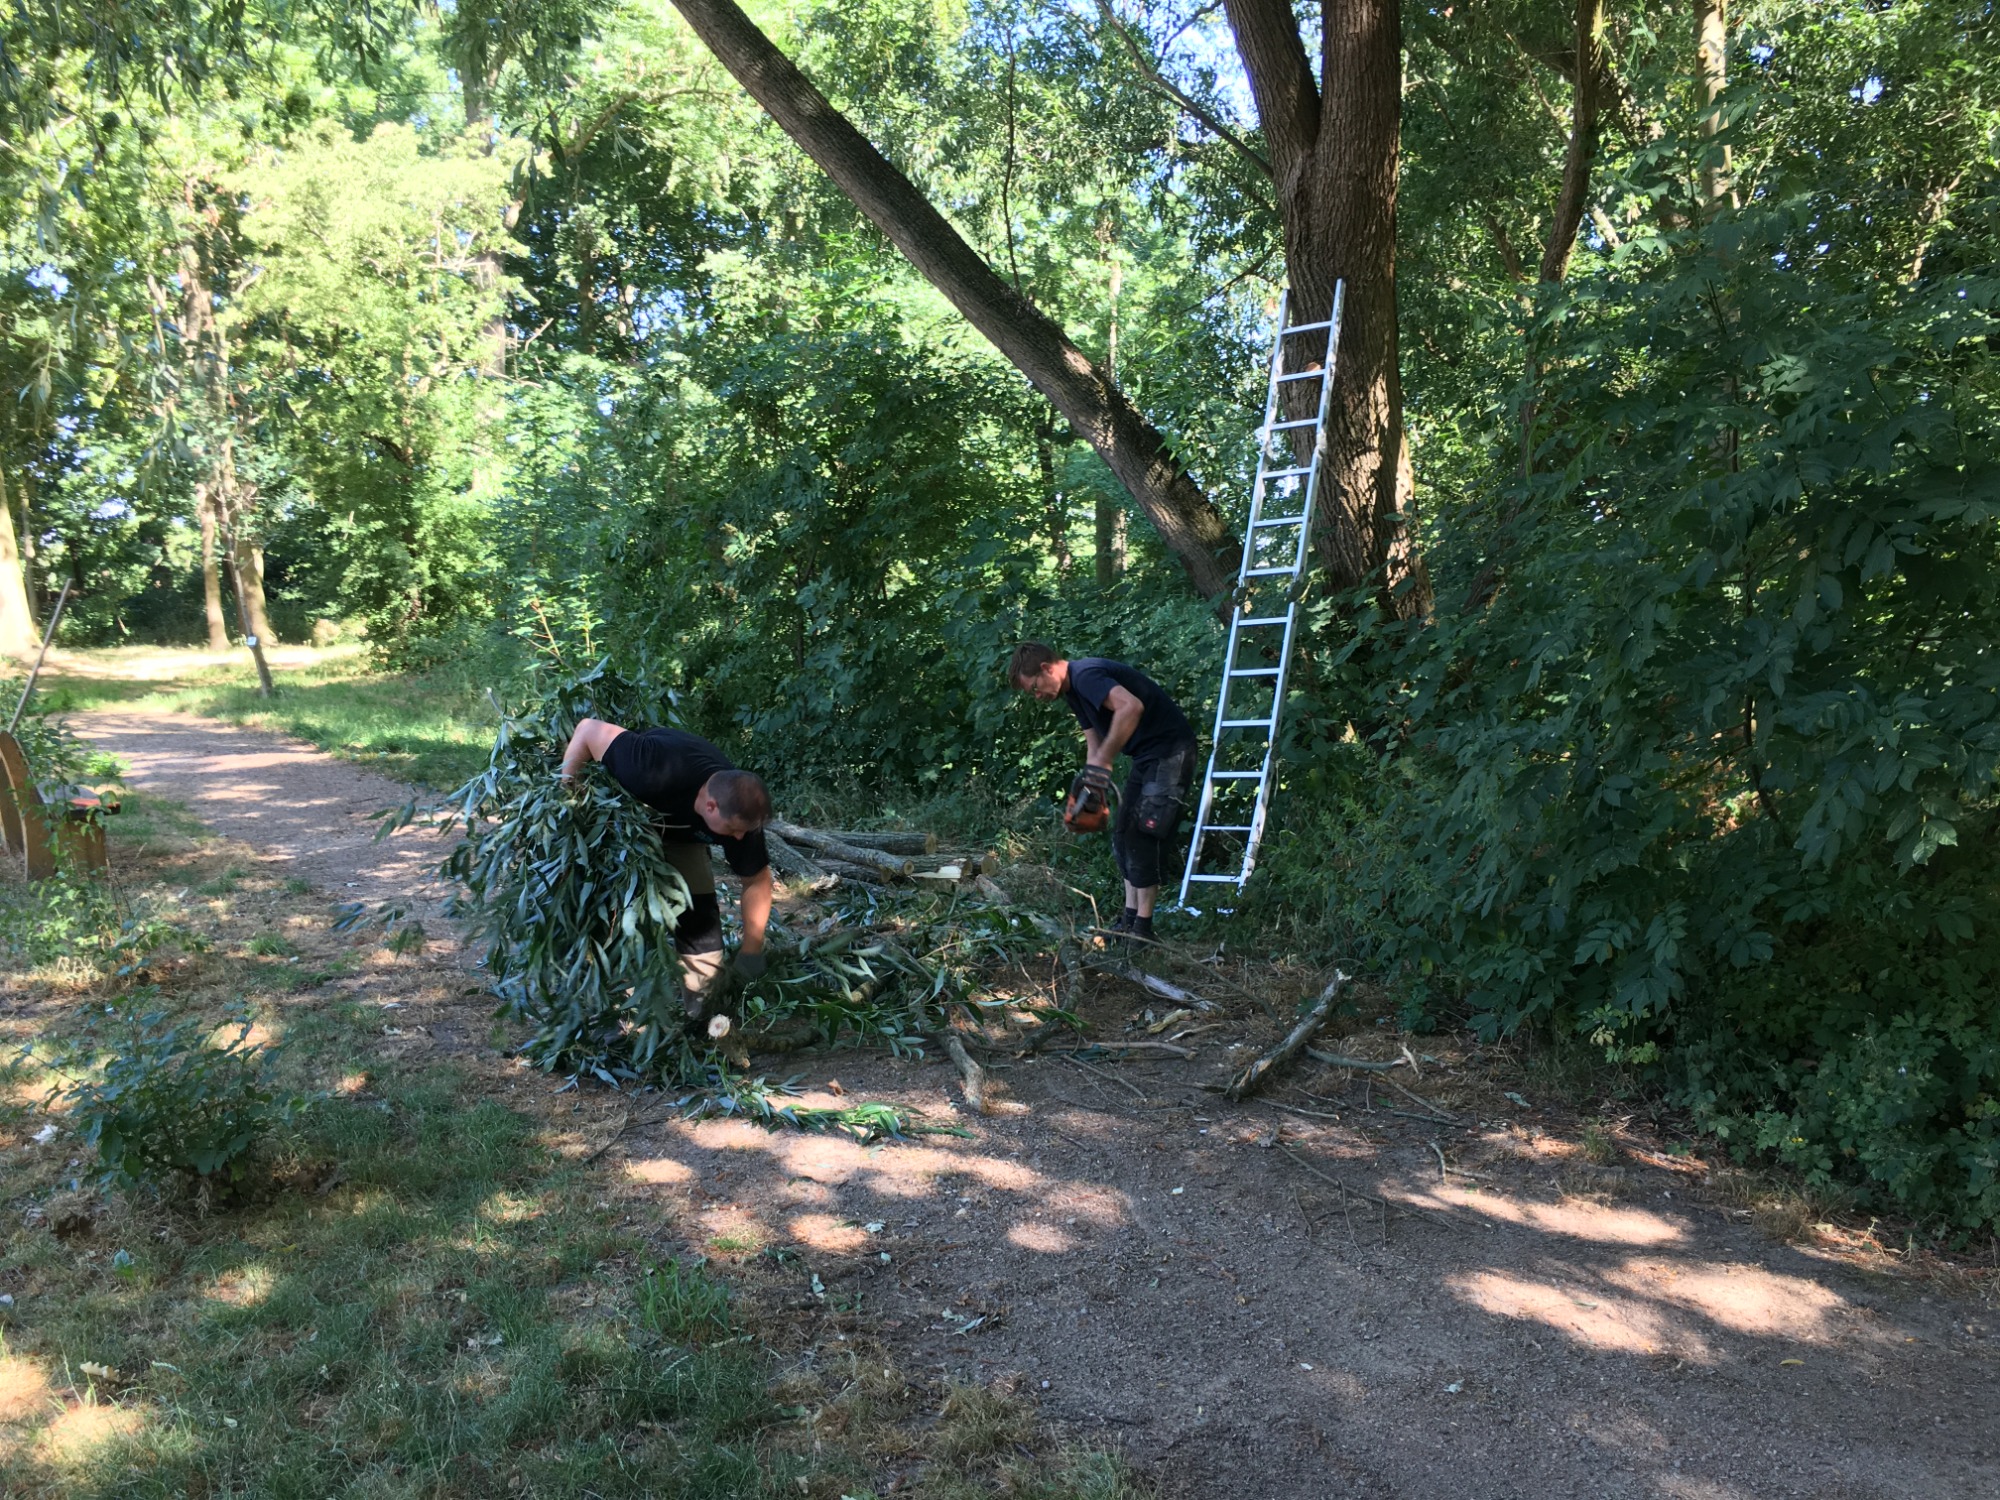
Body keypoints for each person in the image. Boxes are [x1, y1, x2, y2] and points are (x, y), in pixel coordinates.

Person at [558, 718, 773, 1022]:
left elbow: (757, 881)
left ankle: (704, 1012)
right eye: (733, 830)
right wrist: (567, 798)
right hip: (624, 831)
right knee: (614, 919)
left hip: (682, 835)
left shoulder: (742, 818)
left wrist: (752, 950)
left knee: (698, 916)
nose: (739, 838)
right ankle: (611, 1010)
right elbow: (588, 729)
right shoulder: (649, 766)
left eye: (744, 831)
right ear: (711, 806)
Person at [1009, 642, 1199, 941]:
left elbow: (1131, 707)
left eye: (1034, 687)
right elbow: (1093, 742)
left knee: (1144, 835)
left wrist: (1106, 759)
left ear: (1047, 669)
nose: (1037, 696)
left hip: (1170, 752)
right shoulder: (1072, 691)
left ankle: (1143, 932)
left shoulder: (1086, 675)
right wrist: (1091, 786)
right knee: (1123, 836)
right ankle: (1129, 921)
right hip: (1146, 756)